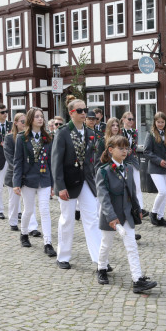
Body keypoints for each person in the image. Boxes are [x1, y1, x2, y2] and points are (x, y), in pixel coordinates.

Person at [95, 135, 157, 293]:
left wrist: (137, 210)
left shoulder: (128, 168)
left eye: (126, 148)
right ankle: (101, 268)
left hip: (127, 214)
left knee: (132, 246)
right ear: (110, 150)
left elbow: (133, 192)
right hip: (111, 216)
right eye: (120, 148)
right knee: (106, 244)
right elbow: (104, 198)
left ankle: (137, 280)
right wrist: (111, 217)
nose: (125, 151)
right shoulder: (103, 171)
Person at [50, 98, 102, 270]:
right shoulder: (63, 132)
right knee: (67, 220)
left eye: (84, 110)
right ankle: (63, 256)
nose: (83, 113)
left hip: (86, 180)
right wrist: (60, 187)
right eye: (79, 110)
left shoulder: (89, 132)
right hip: (68, 182)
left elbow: (91, 160)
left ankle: (99, 259)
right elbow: (55, 162)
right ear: (71, 113)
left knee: (92, 218)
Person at [13, 108, 56, 257]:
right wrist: (16, 183)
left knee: (44, 210)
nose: (40, 119)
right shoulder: (22, 138)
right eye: (37, 116)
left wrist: (53, 184)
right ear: (31, 119)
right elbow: (17, 161)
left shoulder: (48, 137)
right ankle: (24, 233)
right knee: (29, 210)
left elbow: (51, 161)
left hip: (44, 178)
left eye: (42, 117)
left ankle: (48, 243)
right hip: (28, 179)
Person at [4, 112, 40, 235]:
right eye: (22, 121)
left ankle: (32, 227)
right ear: (16, 123)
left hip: (29, 175)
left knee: (29, 203)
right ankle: (13, 221)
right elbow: (10, 158)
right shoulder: (9, 138)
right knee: (14, 201)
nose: (24, 124)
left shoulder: (30, 137)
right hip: (14, 174)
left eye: (26, 121)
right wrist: (20, 170)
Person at [144, 112, 166, 227]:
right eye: (158, 122)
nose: (160, 124)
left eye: (162, 122)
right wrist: (159, 161)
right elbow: (147, 151)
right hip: (155, 167)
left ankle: (160, 217)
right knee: (162, 191)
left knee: (165, 193)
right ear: (155, 122)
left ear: (165, 122)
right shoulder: (151, 134)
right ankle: (153, 213)